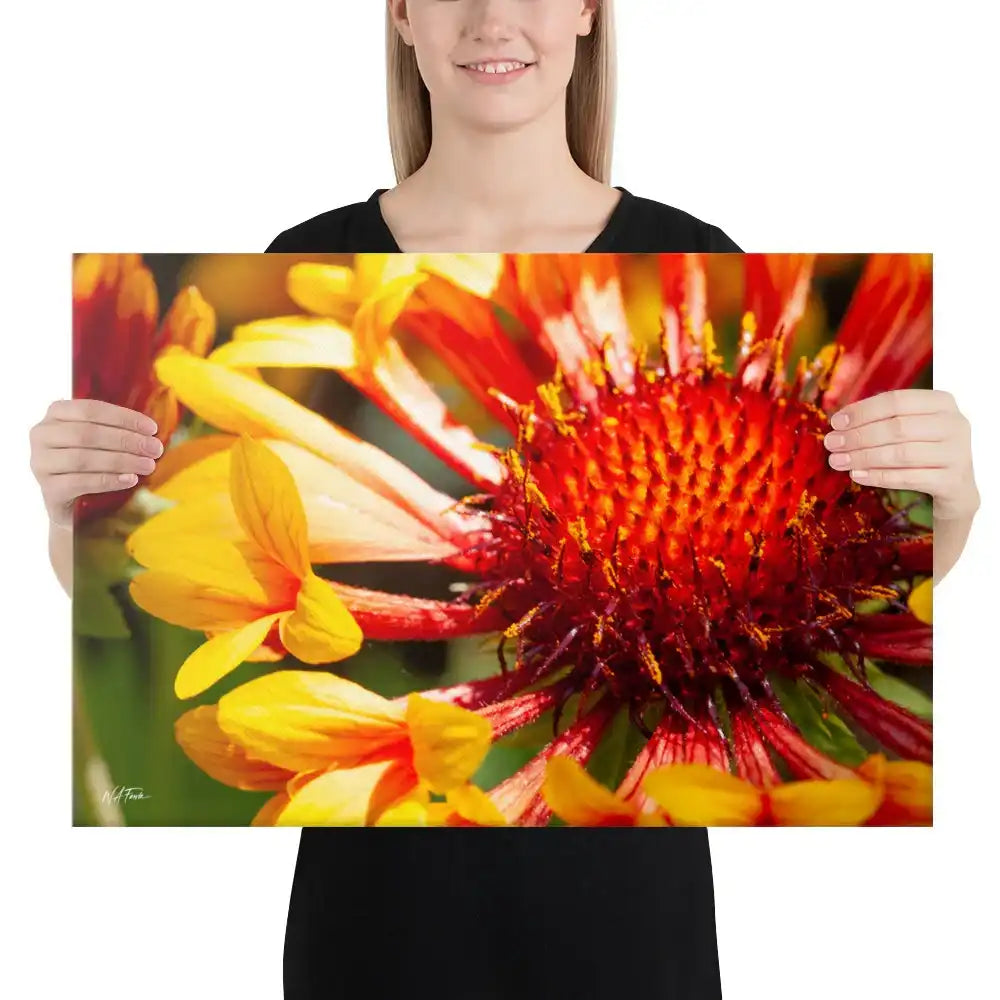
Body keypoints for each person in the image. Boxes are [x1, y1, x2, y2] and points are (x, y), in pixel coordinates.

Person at [30, 2, 980, 998]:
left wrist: (954, 509)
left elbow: (935, 605)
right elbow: (134, 575)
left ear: (586, 13)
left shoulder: (688, 243)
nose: (491, 17)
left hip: (629, 942)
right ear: (400, 16)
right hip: (378, 940)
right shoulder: (322, 246)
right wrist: (62, 516)